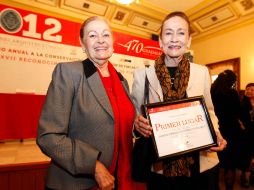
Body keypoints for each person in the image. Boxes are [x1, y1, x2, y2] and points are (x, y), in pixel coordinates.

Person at [37, 16, 144, 190]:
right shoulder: (69, 72)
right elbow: (48, 137)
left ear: (112, 41)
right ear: (82, 43)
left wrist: (137, 125)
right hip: (77, 184)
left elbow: (119, 124)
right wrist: (94, 166)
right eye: (93, 35)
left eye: (106, 35)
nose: (101, 40)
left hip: (117, 179)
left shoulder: (121, 80)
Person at [131, 11, 227, 190]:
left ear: (189, 40)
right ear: (160, 41)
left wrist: (217, 133)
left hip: (199, 164)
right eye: (168, 33)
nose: (174, 38)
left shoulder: (202, 72)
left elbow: (210, 112)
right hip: (160, 166)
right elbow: (134, 116)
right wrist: (137, 124)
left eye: (181, 33)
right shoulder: (142, 75)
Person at [211, 70, 251, 190]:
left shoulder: (211, 92)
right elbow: (240, 112)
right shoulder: (232, 93)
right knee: (230, 165)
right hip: (231, 131)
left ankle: (216, 186)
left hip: (215, 130)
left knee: (215, 162)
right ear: (232, 81)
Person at [241, 83, 254, 185]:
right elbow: (237, 117)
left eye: (252, 90)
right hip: (246, 134)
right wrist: (241, 125)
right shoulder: (241, 102)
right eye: (247, 89)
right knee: (246, 155)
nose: (249, 91)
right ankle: (245, 178)